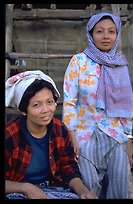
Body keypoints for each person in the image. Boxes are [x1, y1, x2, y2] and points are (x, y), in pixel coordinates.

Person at [62, 12, 133, 199]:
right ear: (91, 34)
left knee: (118, 190)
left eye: (111, 31)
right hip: (84, 138)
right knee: (88, 189)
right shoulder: (78, 62)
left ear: (117, 35)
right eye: (99, 31)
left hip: (116, 138)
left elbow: (126, 107)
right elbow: (69, 102)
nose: (106, 36)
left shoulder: (120, 65)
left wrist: (130, 140)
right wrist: (71, 136)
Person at [5, 70, 97, 199]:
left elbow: (68, 168)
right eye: (36, 105)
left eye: (49, 102)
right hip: (17, 192)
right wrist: (26, 188)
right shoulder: (9, 135)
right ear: (24, 110)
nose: (46, 110)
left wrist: (83, 191)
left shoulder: (59, 129)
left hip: (52, 188)